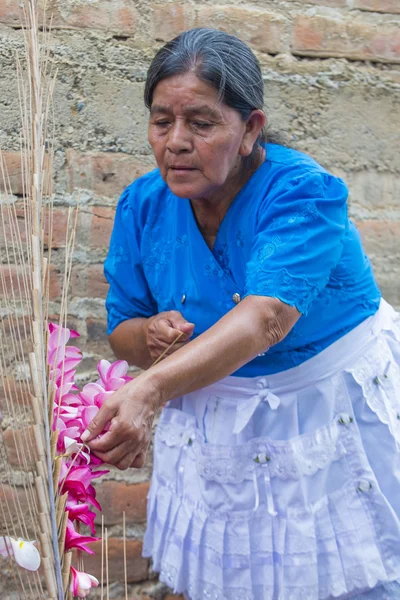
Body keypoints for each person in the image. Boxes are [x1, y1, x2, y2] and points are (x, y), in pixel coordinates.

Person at [80, 28, 400, 600]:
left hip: (326, 411)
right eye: (161, 121)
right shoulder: (142, 206)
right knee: (240, 581)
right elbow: (122, 329)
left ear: (250, 129)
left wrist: (151, 389)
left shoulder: (303, 193)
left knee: (358, 577)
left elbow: (265, 320)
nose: (176, 142)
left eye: (201, 123)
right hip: (220, 426)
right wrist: (148, 336)